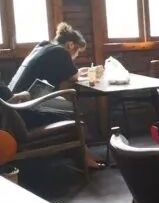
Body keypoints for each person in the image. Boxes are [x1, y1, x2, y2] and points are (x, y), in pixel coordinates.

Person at [7, 22, 104, 168]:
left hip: (13, 107)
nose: (76, 57)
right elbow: (74, 77)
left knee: (68, 108)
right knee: (73, 111)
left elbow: (73, 74)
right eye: (77, 52)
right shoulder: (61, 52)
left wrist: (84, 71)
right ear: (71, 45)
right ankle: (84, 158)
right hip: (25, 109)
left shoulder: (43, 47)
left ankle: (85, 155)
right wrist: (89, 72)